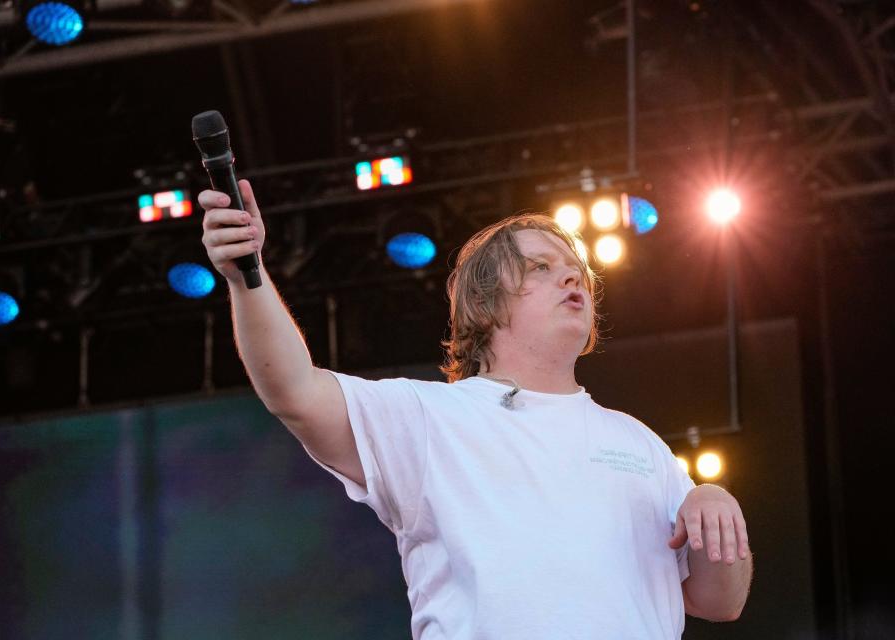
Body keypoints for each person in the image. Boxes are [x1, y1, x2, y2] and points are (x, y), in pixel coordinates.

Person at [199, 180, 753, 639]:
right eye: (540, 267)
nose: (570, 277)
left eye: (575, 269)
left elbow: (718, 600)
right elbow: (293, 390)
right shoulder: (428, 417)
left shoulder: (639, 444)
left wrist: (714, 502)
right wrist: (247, 277)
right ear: (484, 304)